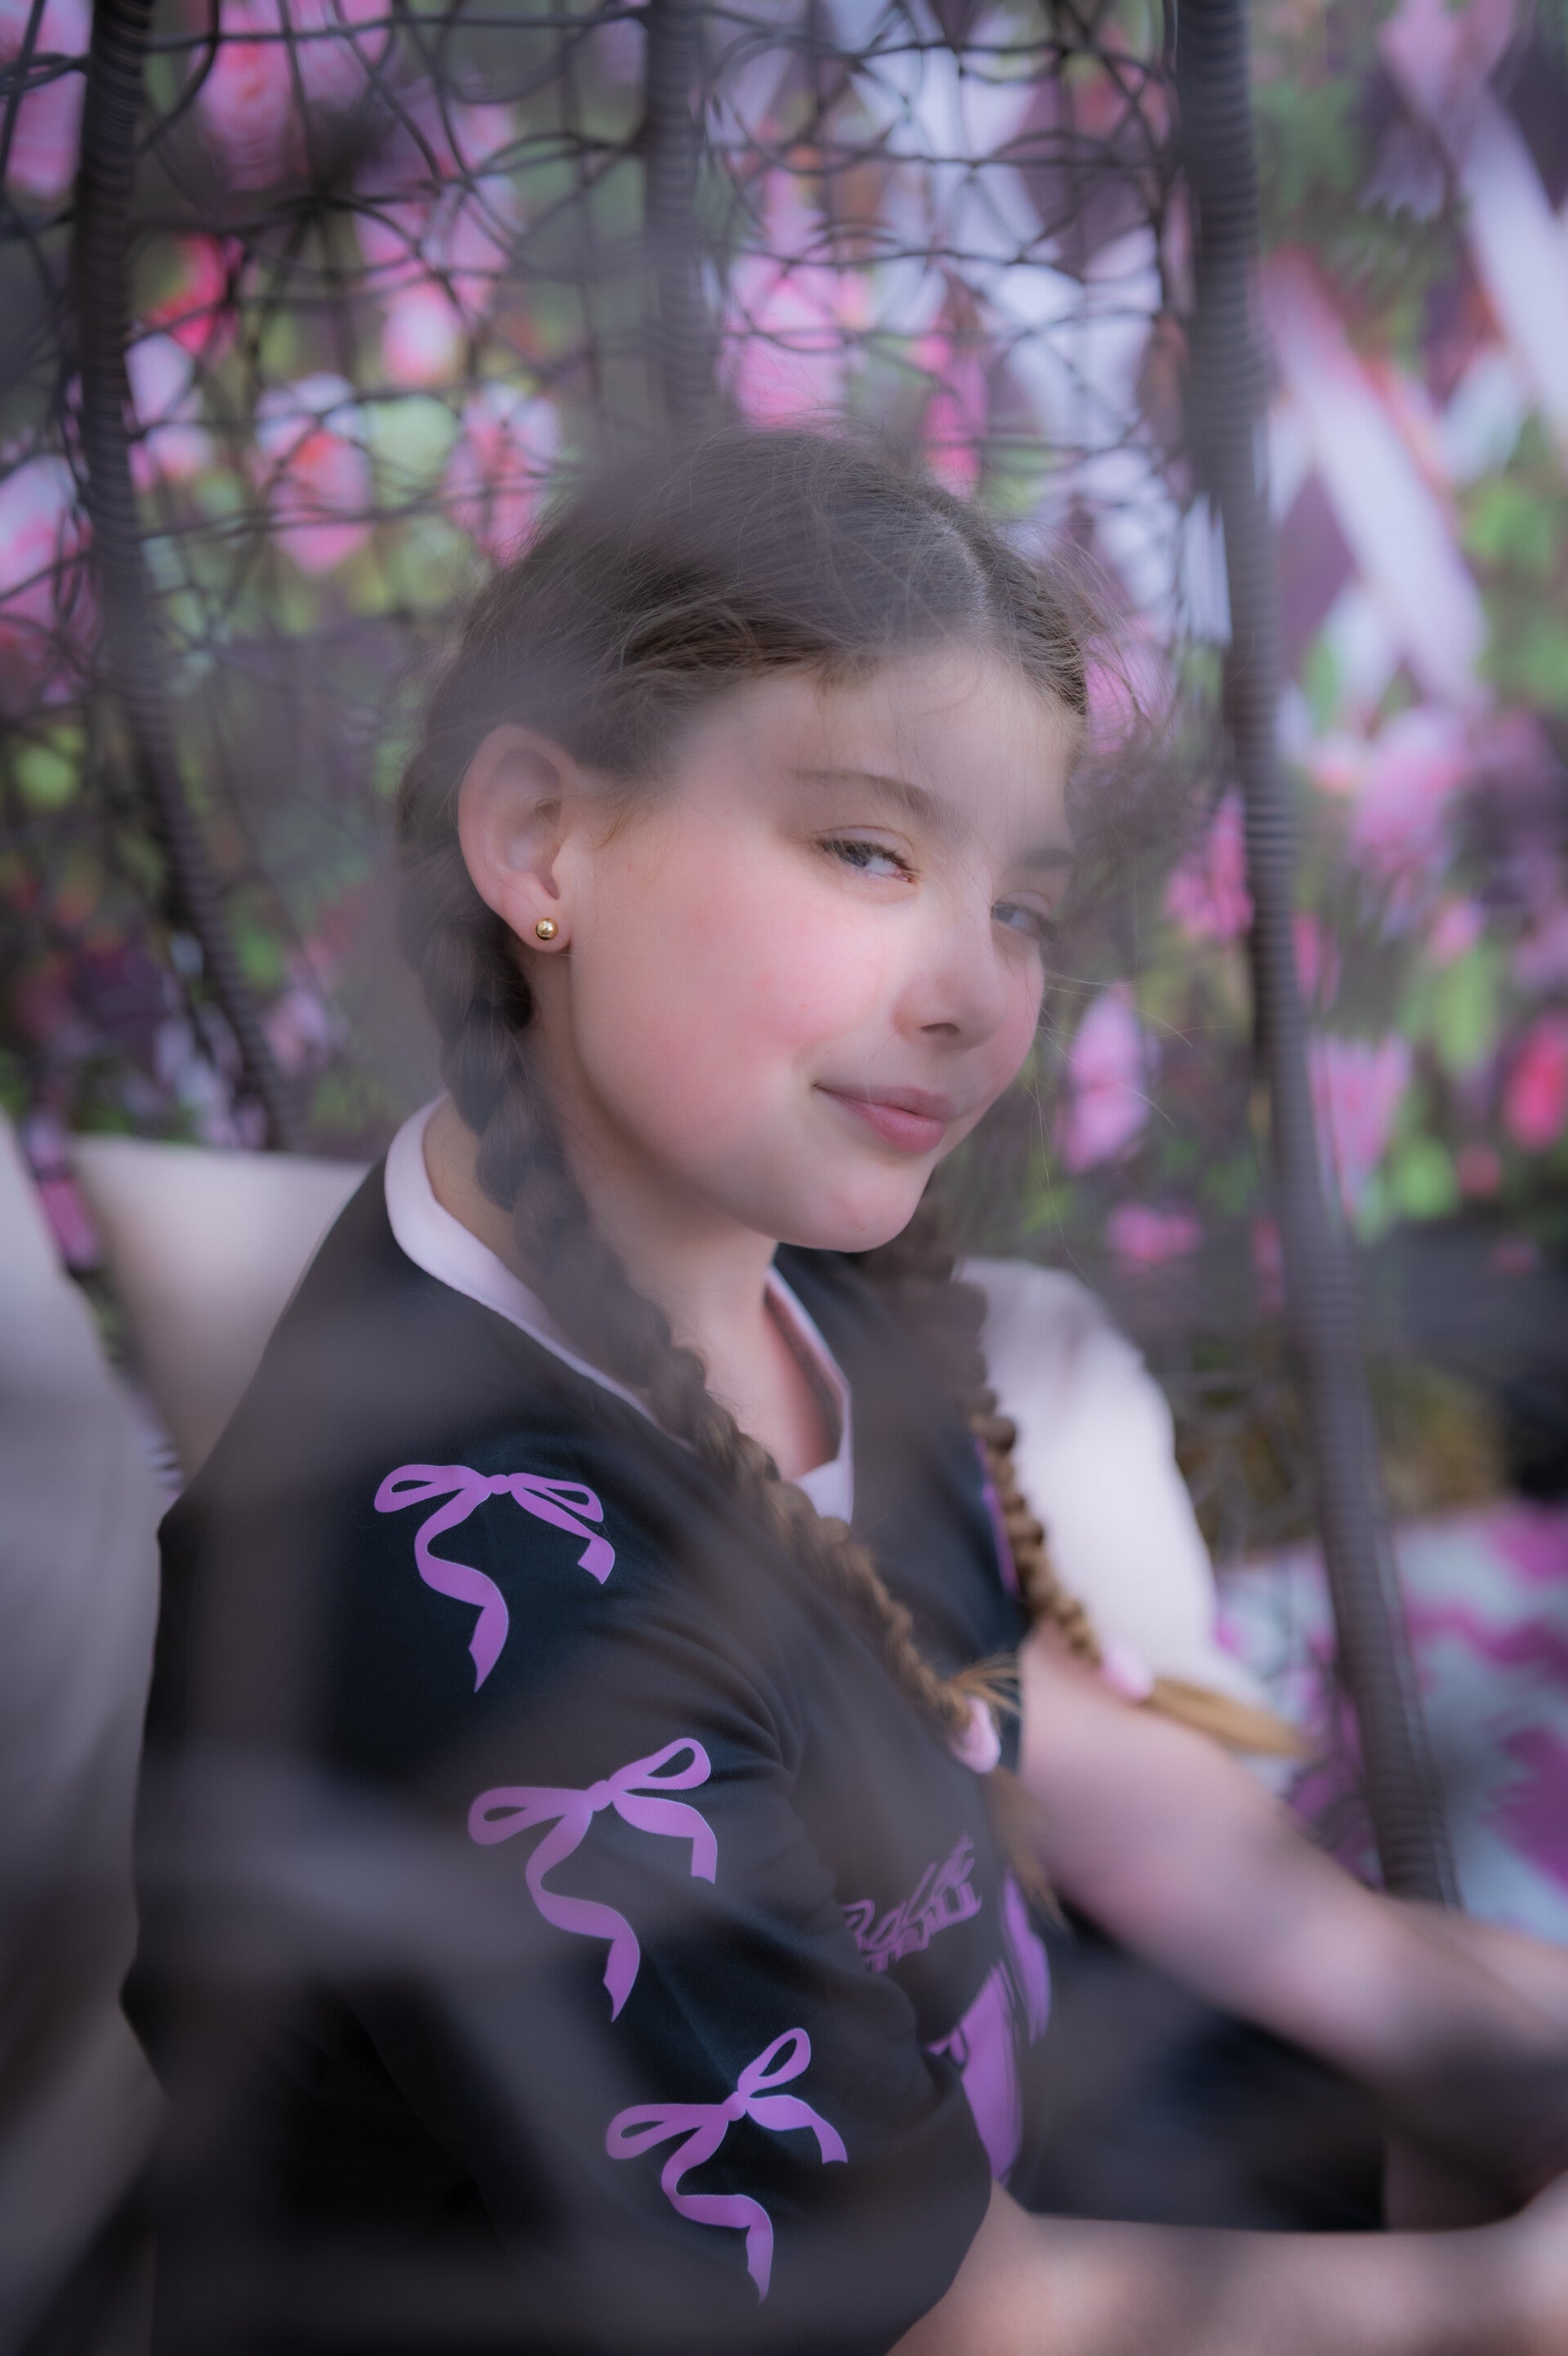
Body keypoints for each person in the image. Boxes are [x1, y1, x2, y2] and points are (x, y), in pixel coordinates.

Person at [131, 427, 1568, 2356]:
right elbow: (950, 2325)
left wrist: (1461, 2032)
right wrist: (1519, 2300)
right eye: (868, 850)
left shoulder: (791, 1249)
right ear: (544, 841)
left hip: (1055, 2130)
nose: (973, 992)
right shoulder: (479, 1608)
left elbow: (1025, 1730)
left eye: (1020, 906)